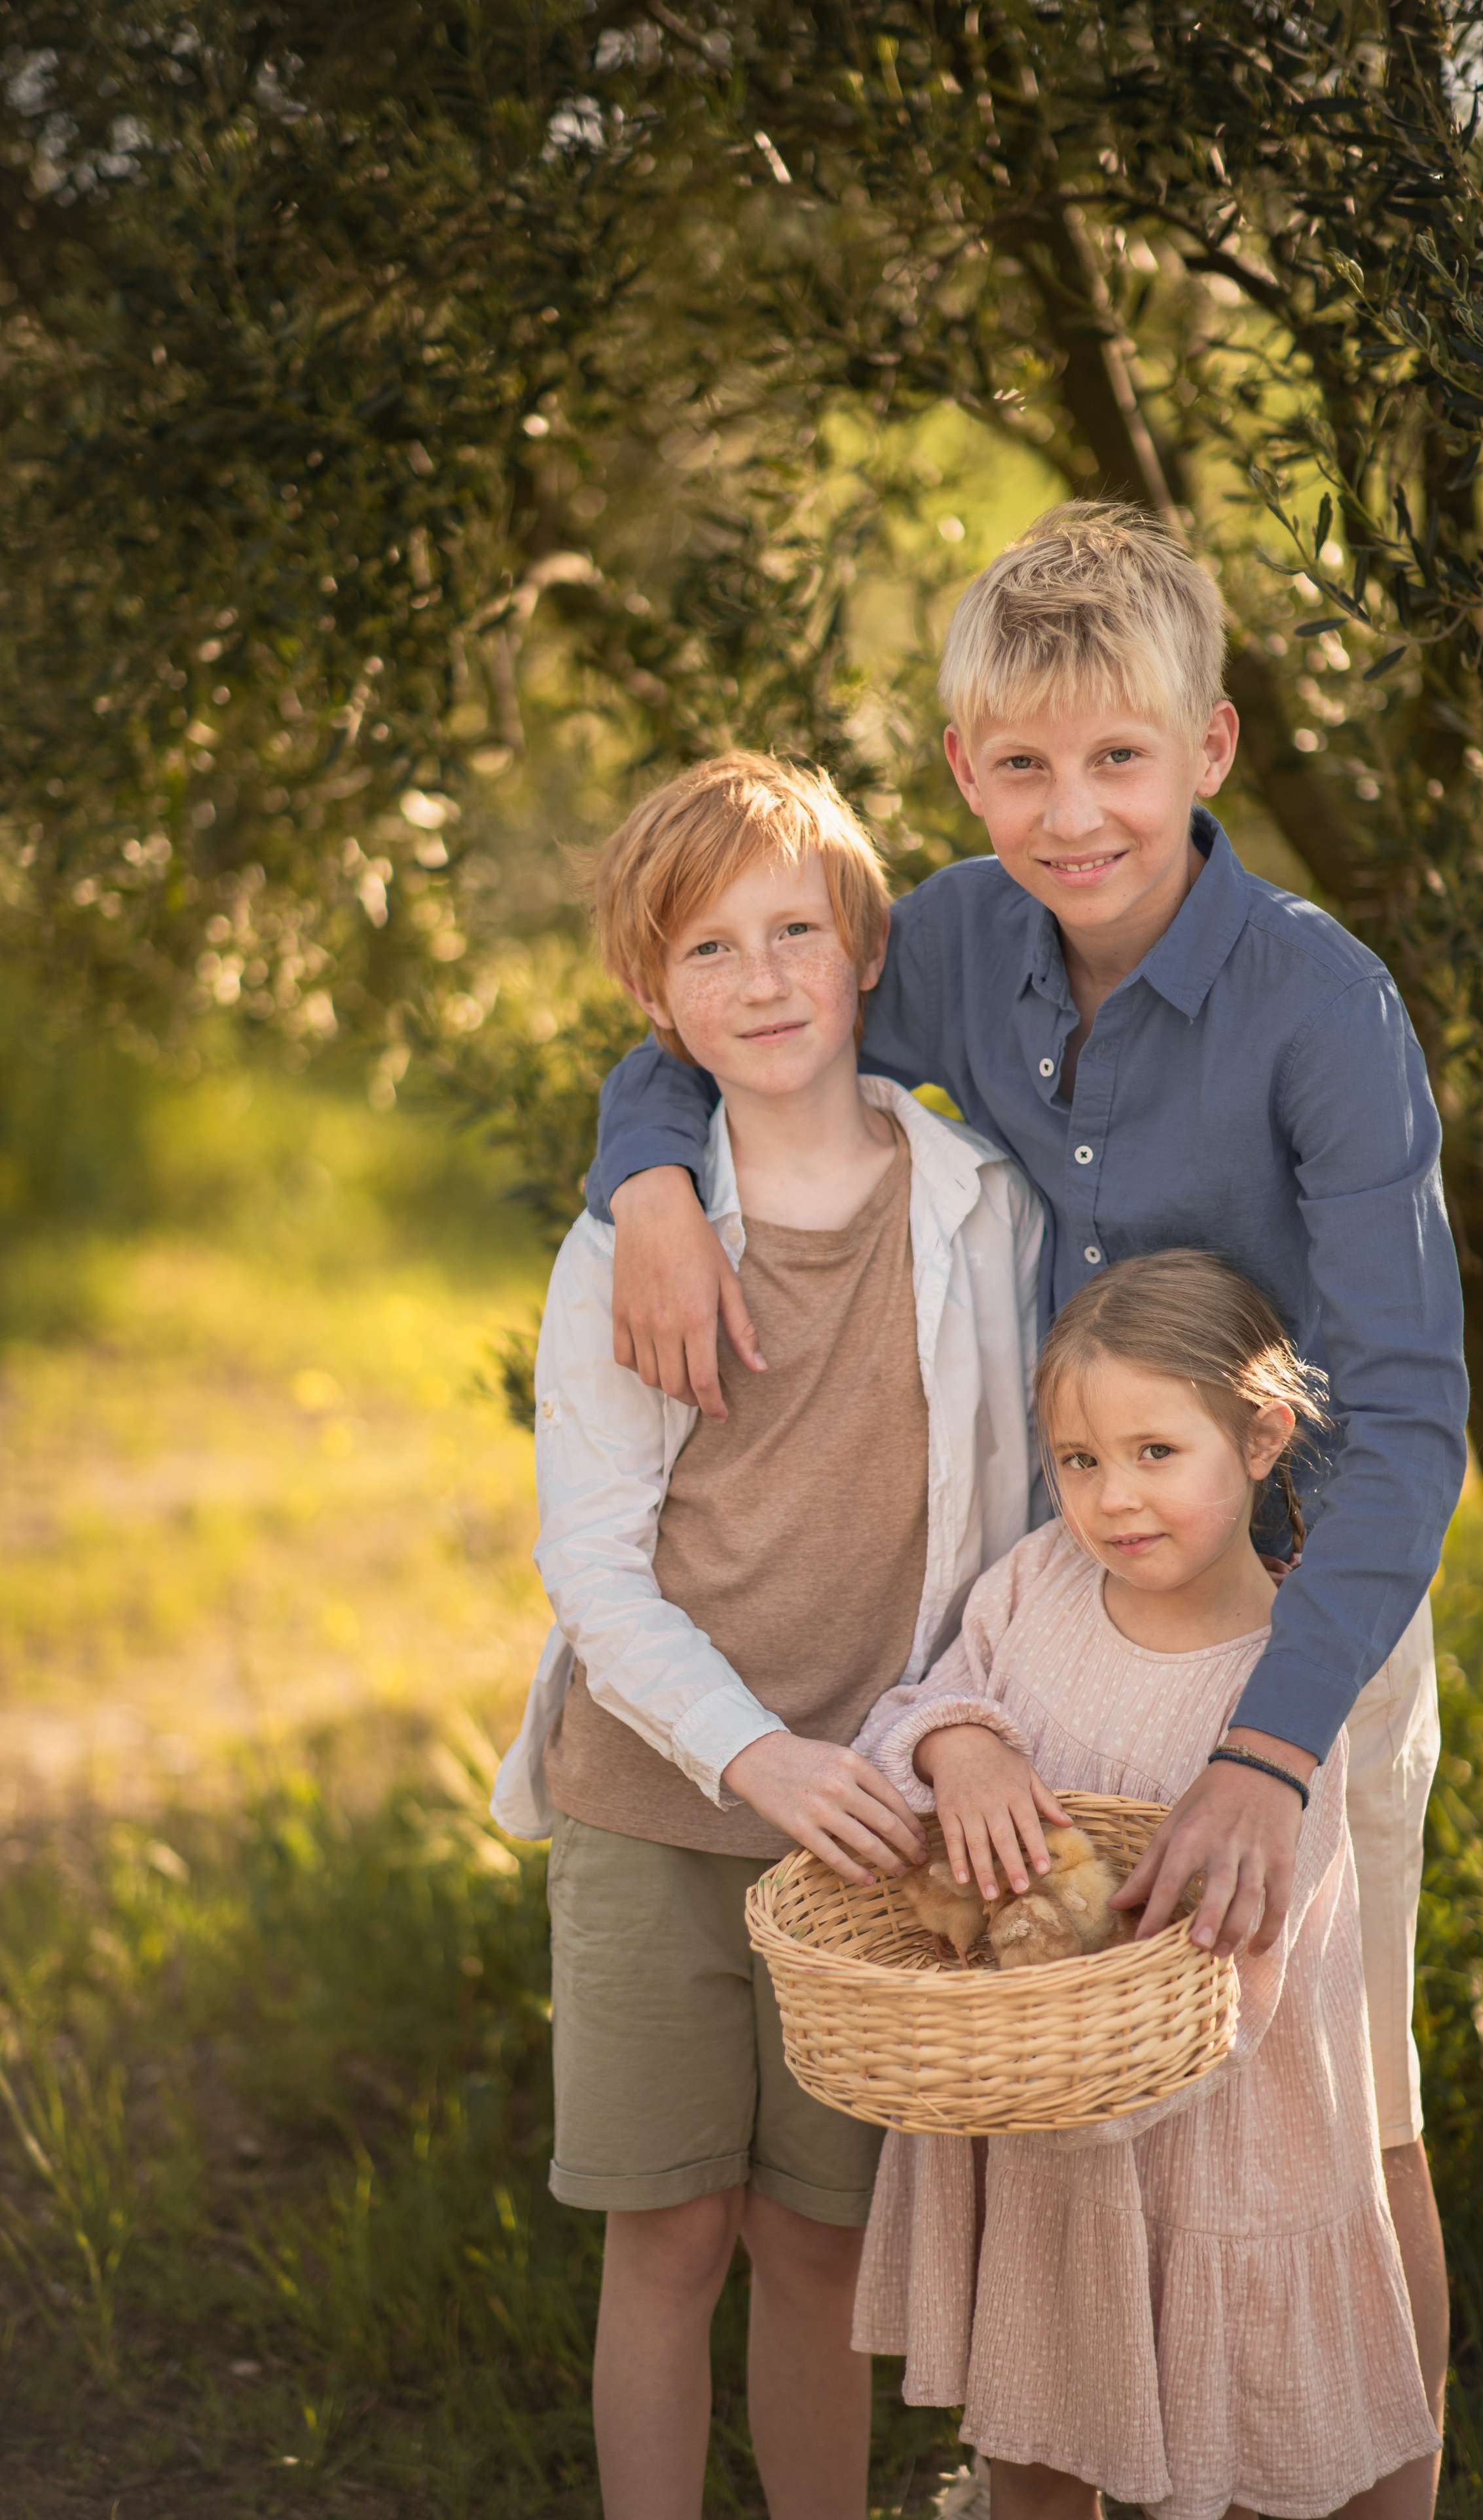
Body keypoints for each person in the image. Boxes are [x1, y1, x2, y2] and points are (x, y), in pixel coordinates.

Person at [583, 506, 1466, 2458]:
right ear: (966, 769)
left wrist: (1271, 1754)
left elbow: (1407, 1416)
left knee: (1346, 2108)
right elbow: (732, 1012)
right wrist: (645, 1175)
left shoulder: (1320, 1008)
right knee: (1064, 2115)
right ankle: (1083, 2473)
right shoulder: (965, 935)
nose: (1075, 816)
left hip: (1299, 1631)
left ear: (1210, 751)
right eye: (1023, 768)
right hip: (1061, 1633)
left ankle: (1369, 2480)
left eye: (1120, 762)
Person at [490, 752, 1044, 2520]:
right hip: (659, 1806)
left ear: (865, 945)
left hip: (872, 1821)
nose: (762, 978)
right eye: (707, 952)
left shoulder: (980, 1208)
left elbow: (1014, 1532)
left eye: (794, 929)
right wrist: (754, 1756)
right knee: (668, 2236)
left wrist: (937, 1734)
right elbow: (597, 1568)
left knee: (822, 2249)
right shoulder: (630, 1244)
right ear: (652, 1002)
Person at [851, 1250, 1443, 2520]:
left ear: (1261, 1437)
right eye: (1077, 1460)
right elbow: (921, 1701)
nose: (1111, 1498)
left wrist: (1081, 2083)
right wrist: (961, 1745)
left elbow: (1253, 1967)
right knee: (1034, 2447)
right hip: (1038, 2142)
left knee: (1222, 2454)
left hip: (1203, 2142)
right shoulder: (1034, 1587)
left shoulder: (1287, 1691)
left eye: (1154, 1453)